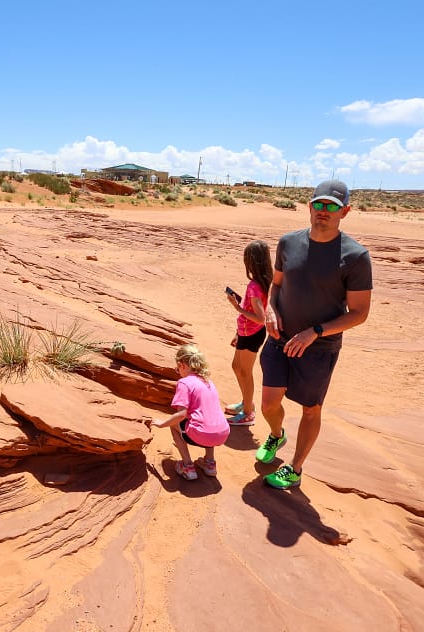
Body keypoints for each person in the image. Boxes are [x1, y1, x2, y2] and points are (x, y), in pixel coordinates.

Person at [255, 180, 372, 489]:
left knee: (311, 409)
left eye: (332, 206)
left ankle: (294, 468)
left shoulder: (356, 256)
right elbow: (276, 284)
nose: (324, 211)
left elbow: (359, 313)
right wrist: (269, 309)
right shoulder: (288, 243)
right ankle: (277, 434)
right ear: (309, 206)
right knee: (268, 404)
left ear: (345, 211)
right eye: (318, 204)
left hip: (319, 349)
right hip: (280, 339)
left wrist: (315, 332)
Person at [150, 344, 230, 480]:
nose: (178, 371)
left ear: (182, 365)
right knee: (208, 421)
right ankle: (210, 464)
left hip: (202, 434)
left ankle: (187, 466)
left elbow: (181, 415)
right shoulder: (208, 381)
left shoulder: (185, 383)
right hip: (222, 434)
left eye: (177, 368)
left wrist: (162, 424)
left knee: (174, 426)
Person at [224, 239, 273, 427]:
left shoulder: (254, 286)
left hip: (252, 333)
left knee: (245, 372)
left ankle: (248, 414)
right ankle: (246, 402)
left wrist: (237, 308)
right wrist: (238, 333)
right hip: (246, 332)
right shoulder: (263, 281)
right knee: (237, 367)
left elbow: (260, 318)